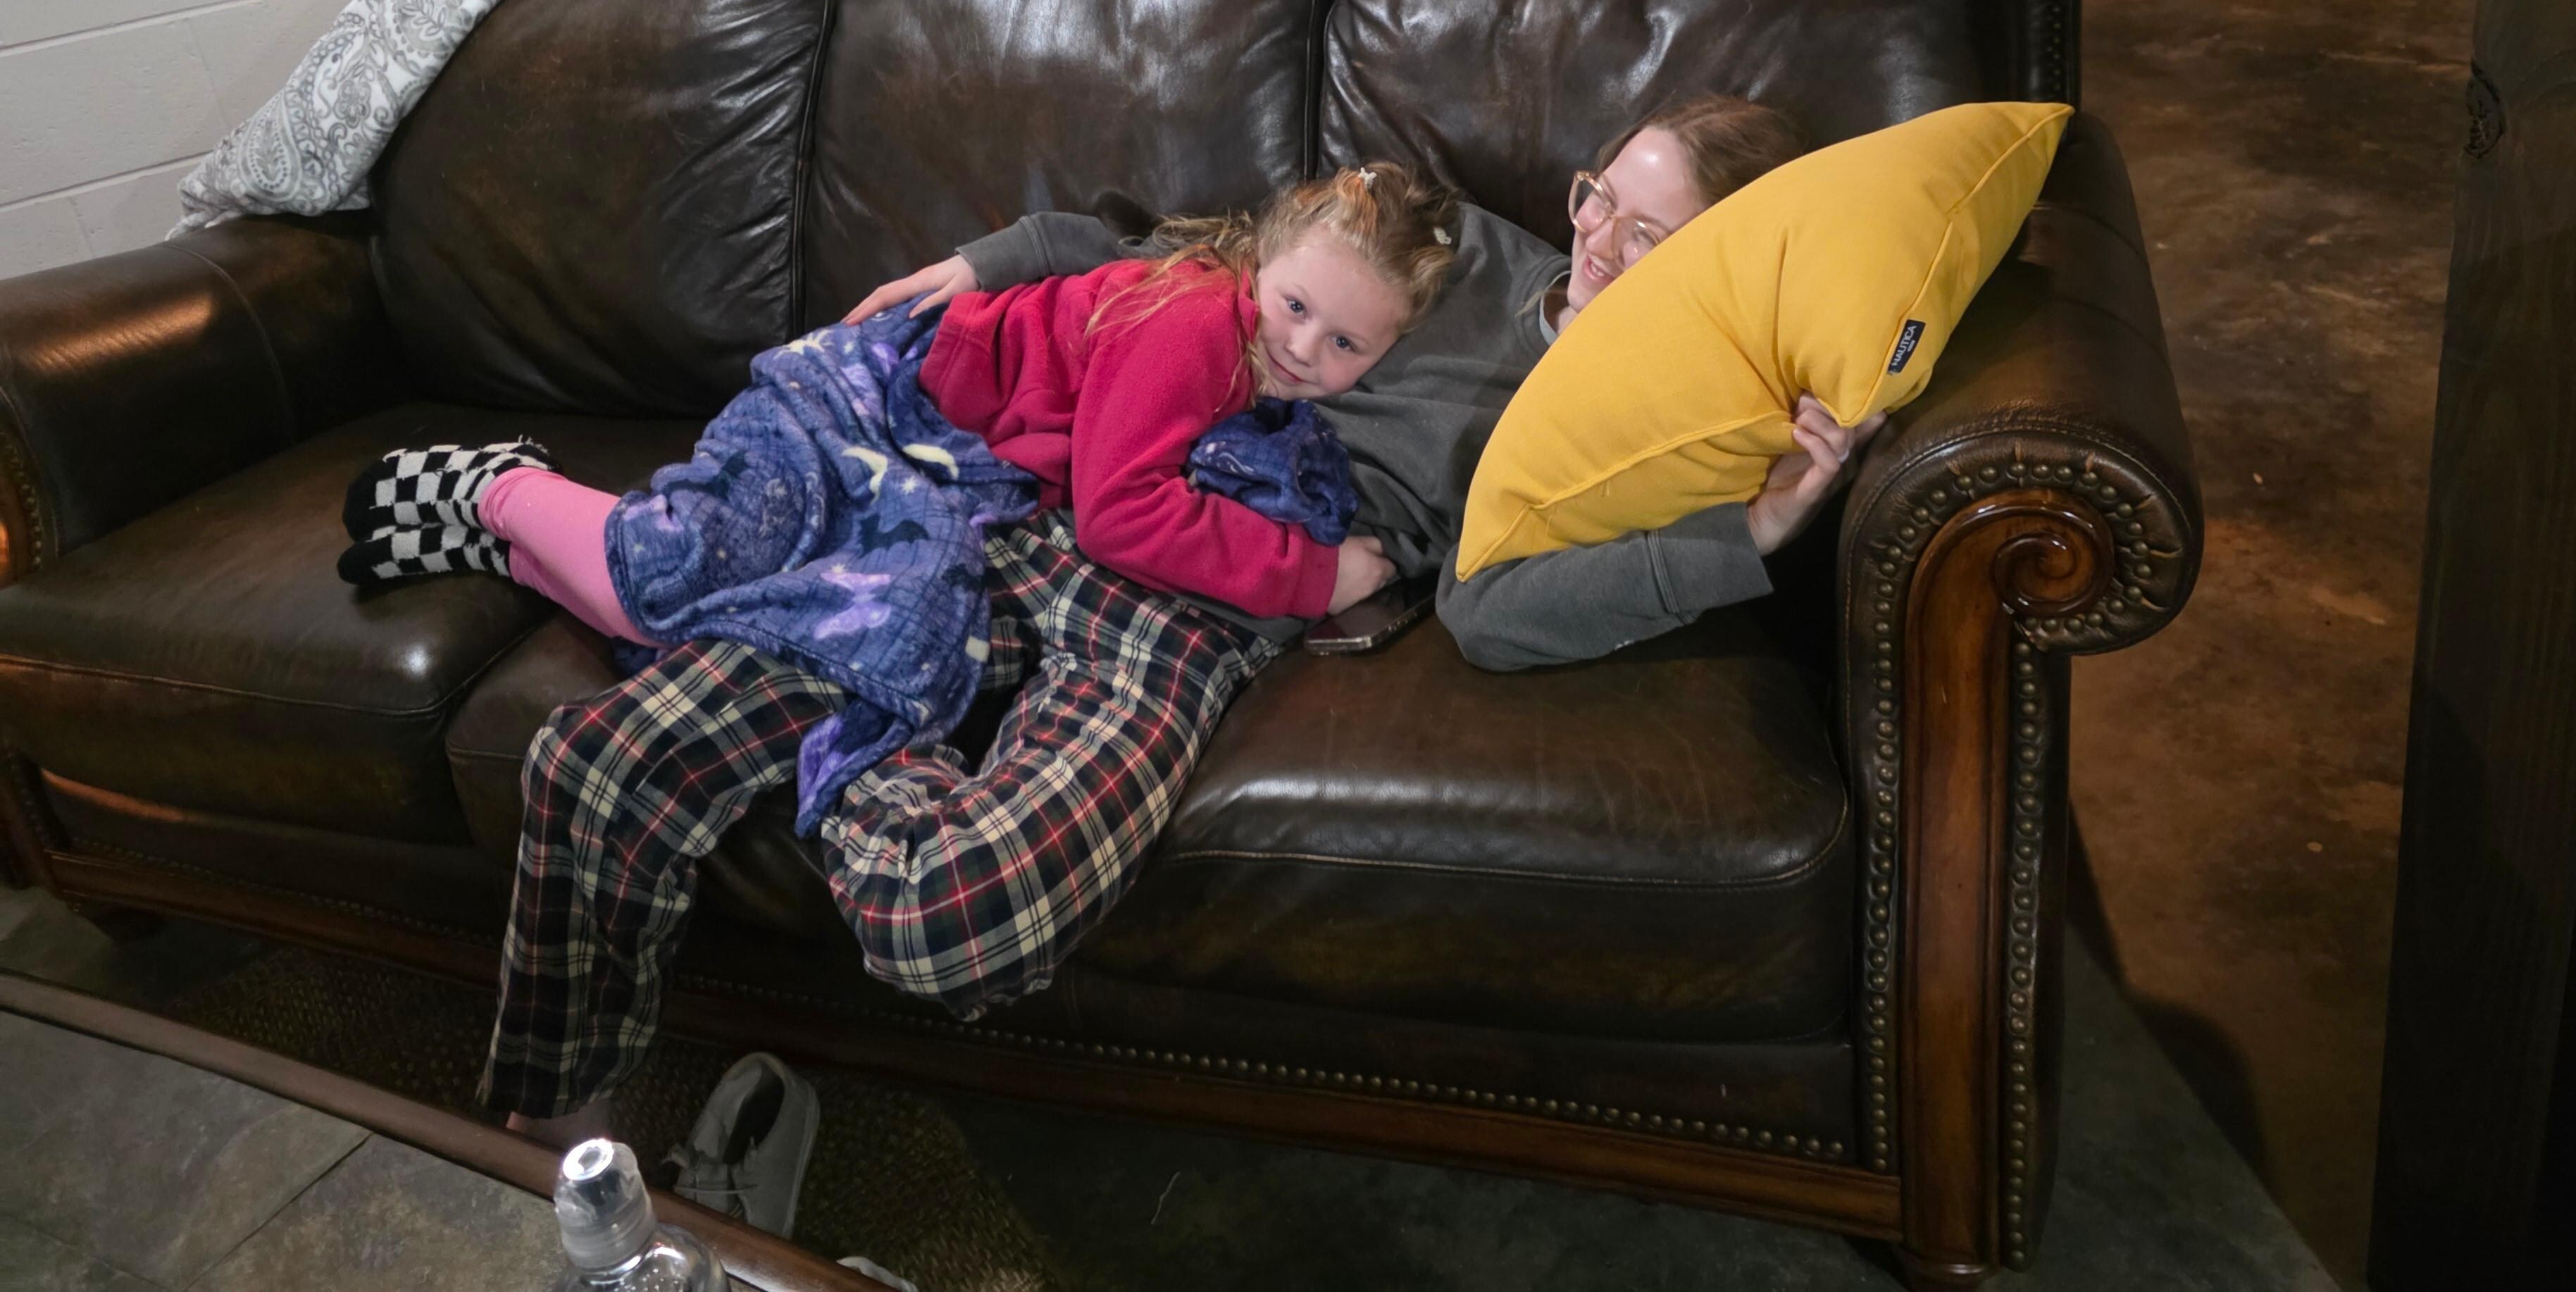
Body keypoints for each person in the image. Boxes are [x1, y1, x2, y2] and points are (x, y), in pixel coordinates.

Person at [351, 165, 1457, 1153]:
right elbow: (1124, 481)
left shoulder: (1359, 346)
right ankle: (505, 498)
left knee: (730, 669)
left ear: (1393, 347)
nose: (1306, 350)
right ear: (1262, 258)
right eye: (1296, 309)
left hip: (1055, 521)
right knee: (642, 630)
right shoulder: (1199, 311)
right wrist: (1315, 574)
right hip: (905, 424)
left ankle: (530, 546)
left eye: (1348, 345)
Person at [850, 94, 1885, 675]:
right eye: (1600, 198)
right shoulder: (1464, 248)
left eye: (1649, 235)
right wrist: (1010, 255)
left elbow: (1486, 615)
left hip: (1216, 579)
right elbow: (1241, 262)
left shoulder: (1627, 429)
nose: (1599, 243)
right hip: (1089, 466)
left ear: (1719, 270)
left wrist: (1750, 535)